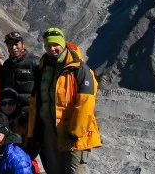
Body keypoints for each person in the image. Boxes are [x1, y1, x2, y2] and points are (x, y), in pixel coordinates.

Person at [27, 28, 101, 174]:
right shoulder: (42, 68)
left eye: (55, 44)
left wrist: (75, 133)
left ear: (63, 43)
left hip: (73, 134)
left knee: (73, 170)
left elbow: (86, 104)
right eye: (48, 45)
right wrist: (33, 132)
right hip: (49, 132)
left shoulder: (79, 69)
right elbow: (36, 103)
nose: (52, 48)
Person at [0, 32, 37, 113]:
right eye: (10, 44)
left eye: (16, 44)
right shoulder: (6, 65)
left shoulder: (34, 62)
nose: (13, 47)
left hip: (29, 109)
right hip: (10, 109)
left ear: (23, 45)